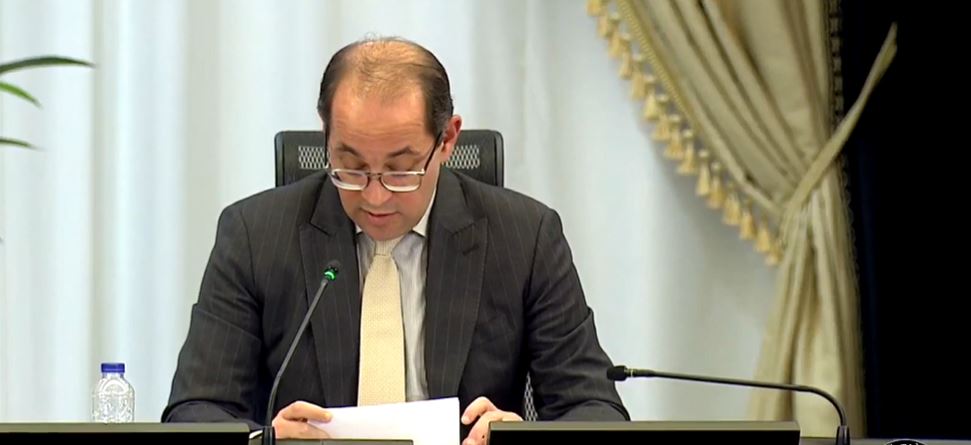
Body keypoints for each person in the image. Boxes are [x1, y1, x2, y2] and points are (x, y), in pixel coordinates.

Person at [162, 36, 629, 444]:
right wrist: (266, 440)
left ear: (447, 140)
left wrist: (518, 436)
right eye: (351, 166)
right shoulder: (254, 235)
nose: (375, 195)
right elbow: (195, 412)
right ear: (326, 137)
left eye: (401, 170)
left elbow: (594, 410)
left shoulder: (525, 237)